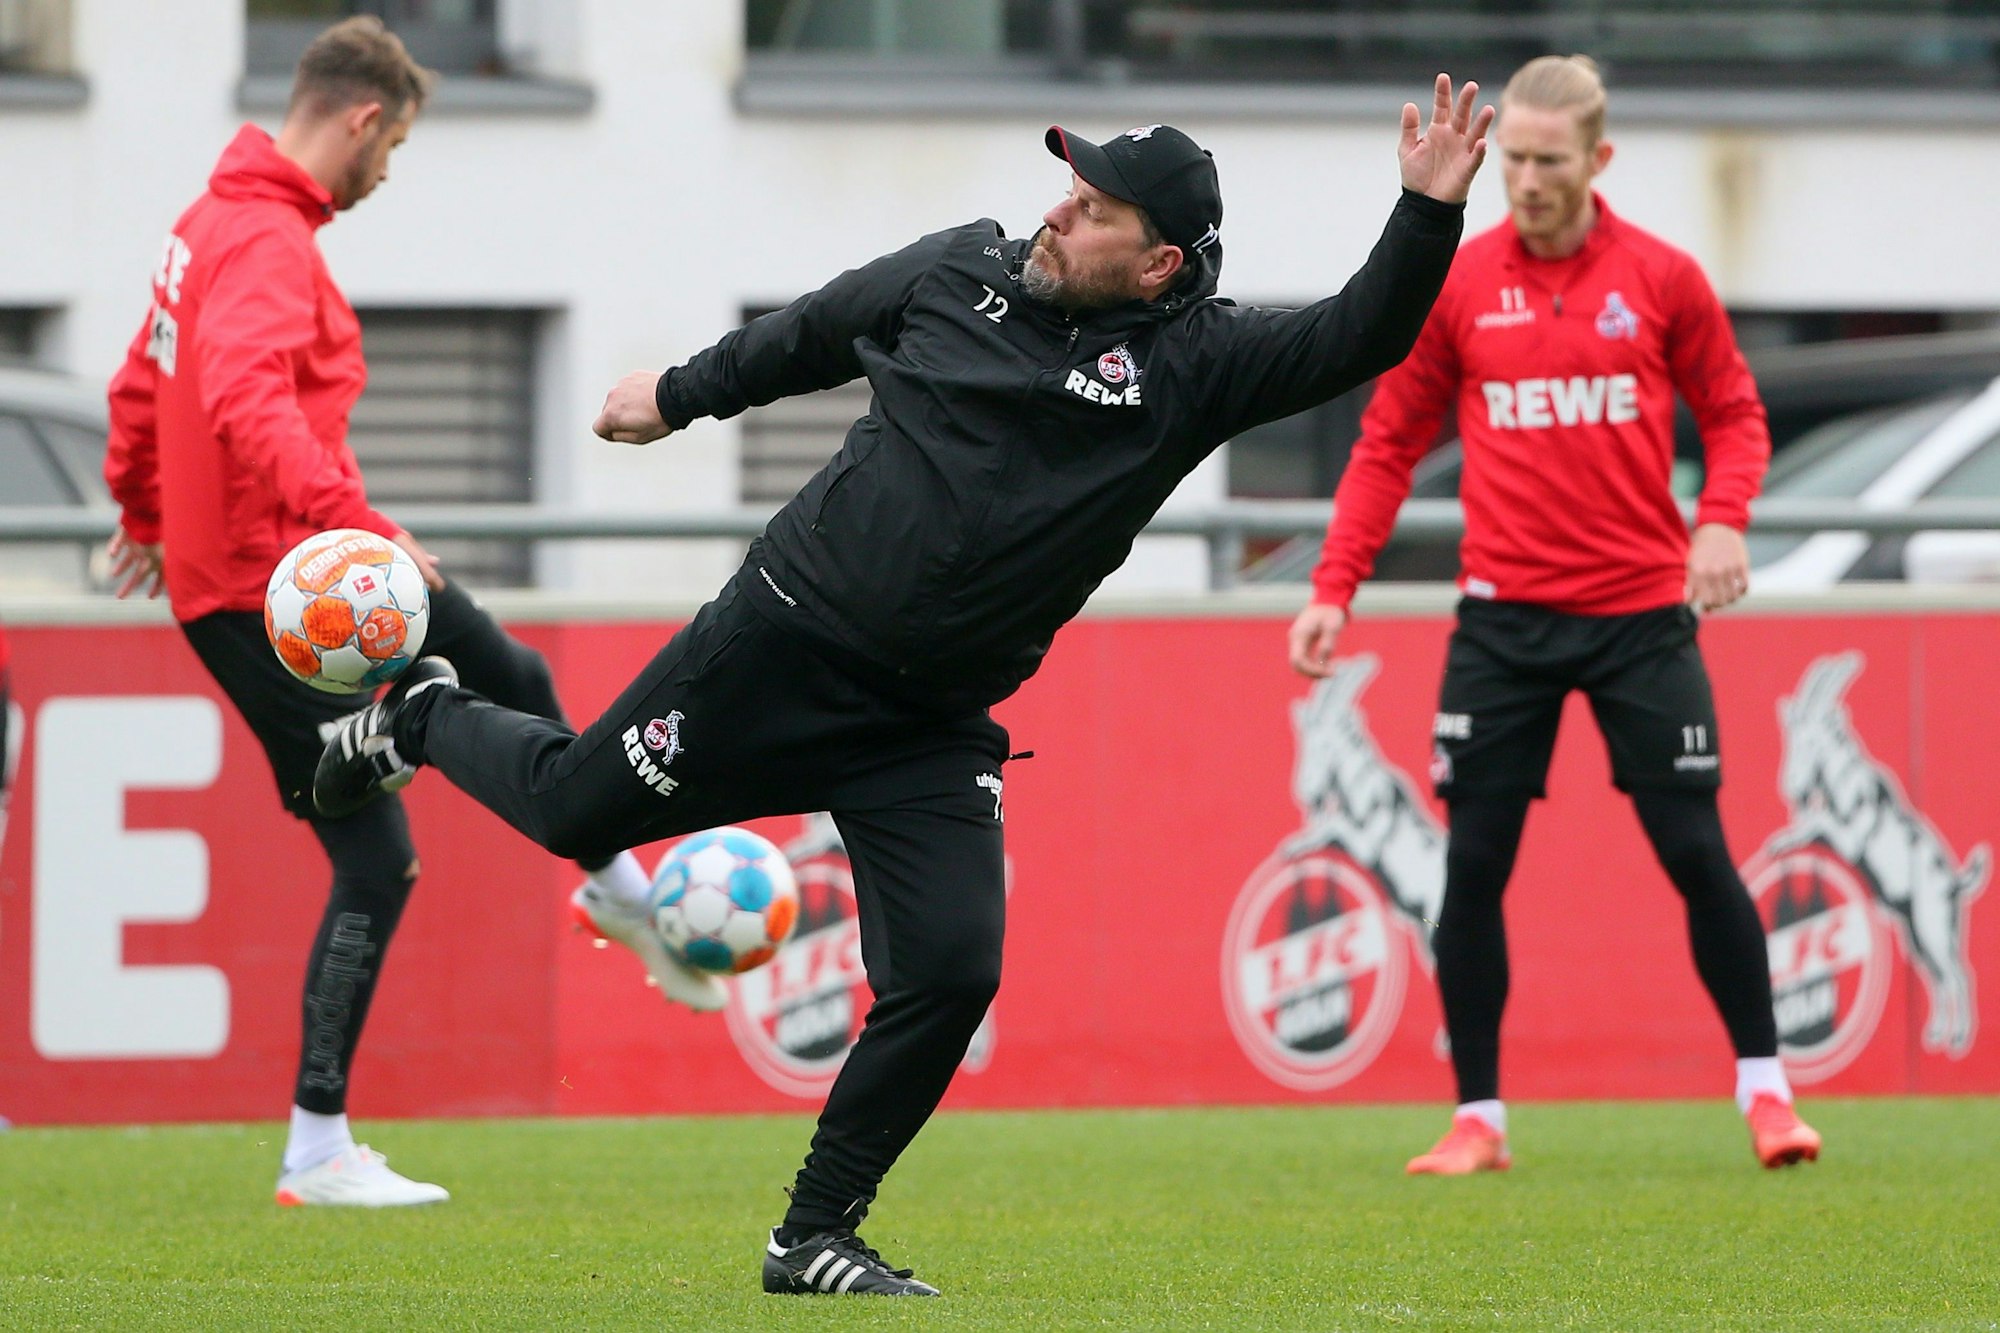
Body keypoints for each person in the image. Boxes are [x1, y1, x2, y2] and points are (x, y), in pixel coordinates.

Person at [312, 77, 1492, 1292]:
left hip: (925, 725)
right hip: (775, 647)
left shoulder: (1195, 360)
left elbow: (1363, 333)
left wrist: (1423, 212)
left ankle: (810, 1232)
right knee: (569, 811)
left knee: (950, 971)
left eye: (1091, 209)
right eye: (1067, 187)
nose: (1056, 213)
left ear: (1158, 267)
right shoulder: (960, 268)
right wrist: (678, 394)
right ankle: (419, 713)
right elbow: (815, 329)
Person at [101, 16, 720, 1210]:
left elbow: (143, 378)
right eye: (394, 150)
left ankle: (612, 885)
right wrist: (360, 527)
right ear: (365, 119)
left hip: (297, 575)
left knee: (519, 675)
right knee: (376, 857)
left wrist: (138, 503)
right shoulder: (269, 244)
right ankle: (316, 1149)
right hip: (275, 593)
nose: (386, 175)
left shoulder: (207, 224)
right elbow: (237, 400)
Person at [1288, 55, 1821, 1176]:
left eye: (1544, 159)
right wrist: (1331, 587)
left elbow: (1734, 415)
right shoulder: (1461, 284)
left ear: (1596, 160)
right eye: (1508, 158)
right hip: (1501, 625)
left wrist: (1721, 520)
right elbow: (1386, 446)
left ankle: (1767, 1096)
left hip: (1639, 616)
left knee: (1693, 848)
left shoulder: (1663, 278)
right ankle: (1477, 1117)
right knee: (1471, 865)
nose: (1521, 179)